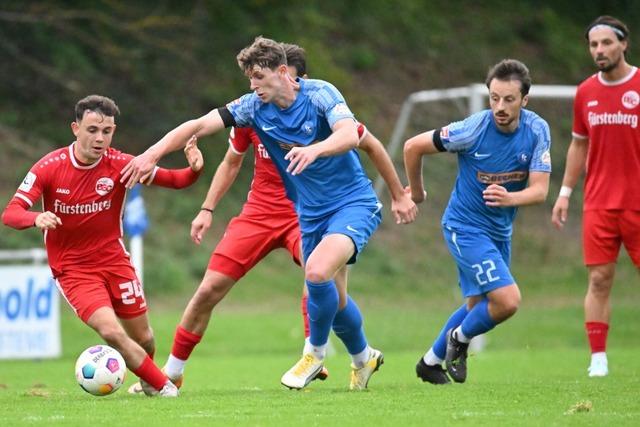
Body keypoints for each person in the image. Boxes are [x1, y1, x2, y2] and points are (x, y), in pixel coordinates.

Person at [121, 36, 417, 391]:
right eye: (249, 79)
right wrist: (152, 154)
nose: (253, 86)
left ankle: (314, 353)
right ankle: (363, 356)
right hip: (300, 212)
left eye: (258, 77)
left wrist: (317, 151)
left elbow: (352, 136)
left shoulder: (321, 94)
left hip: (349, 202)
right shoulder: (252, 108)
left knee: (319, 275)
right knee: (326, 297)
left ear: (283, 72)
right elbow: (199, 126)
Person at [1, 95, 204, 397]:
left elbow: (175, 180)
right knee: (111, 331)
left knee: (145, 339)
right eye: (92, 129)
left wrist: (194, 170)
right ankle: (165, 387)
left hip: (114, 262)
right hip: (73, 270)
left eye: (106, 131)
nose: (99, 138)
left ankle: (148, 382)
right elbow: (11, 213)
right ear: (75, 128)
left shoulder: (122, 165)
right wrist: (36, 217)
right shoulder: (49, 167)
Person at [404, 59, 551, 384]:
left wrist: (510, 198)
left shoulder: (537, 130)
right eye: (494, 97)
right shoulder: (472, 129)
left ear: (524, 100)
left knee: (479, 306)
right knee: (508, 301)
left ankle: (429, 363)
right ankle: (459, 340)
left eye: (509, 99)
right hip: (465, 227)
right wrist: (416, 193)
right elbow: (413, 147)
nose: (500, 106)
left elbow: (540, 190)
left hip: (500, 230)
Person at [551, 16, 640, 378]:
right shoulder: (586, 91)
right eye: (593, 44)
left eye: (606, 43)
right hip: (600, 202)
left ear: (623, 44)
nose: (599, 50)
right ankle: (598, 360)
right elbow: (578, 144)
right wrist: (565, 193)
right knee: (599, 280)